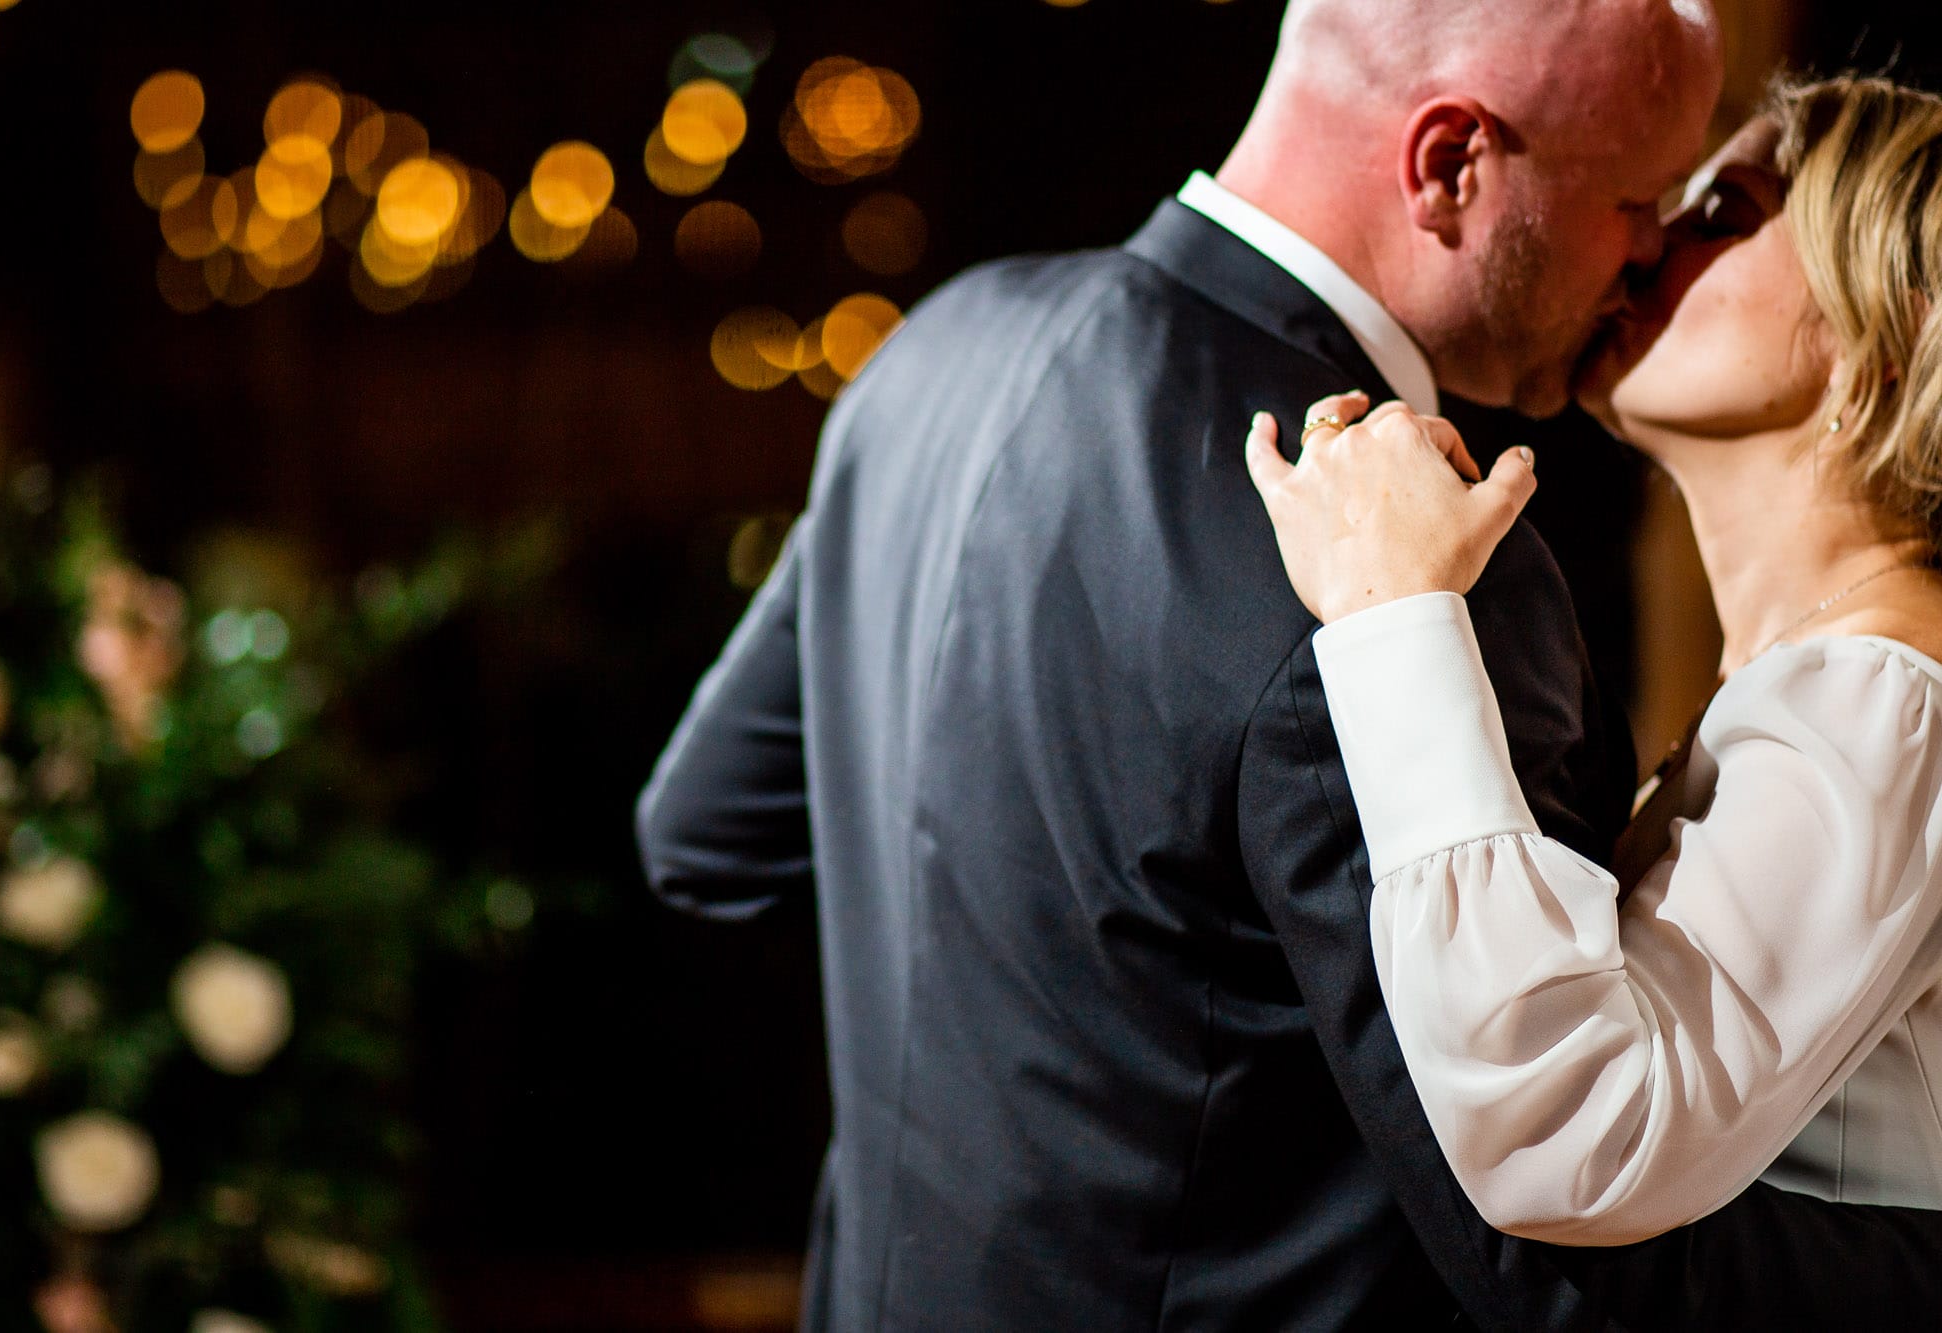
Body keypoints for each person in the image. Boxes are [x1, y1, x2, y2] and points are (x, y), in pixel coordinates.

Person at [638, 2, 1942, 1325]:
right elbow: (1535, 1247)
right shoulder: (1420, 556)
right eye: (1633, 199)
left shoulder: (936, 350)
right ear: (1450, 166)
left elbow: (704, 836)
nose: (1645, 247)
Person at [1247, 71, 1942, 1253]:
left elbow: (1573, 1136)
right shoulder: (1819, 680)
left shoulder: (1879, 700)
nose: (1645, 245)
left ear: (1884, 324)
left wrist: (1391, 612)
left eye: (1719, 214)